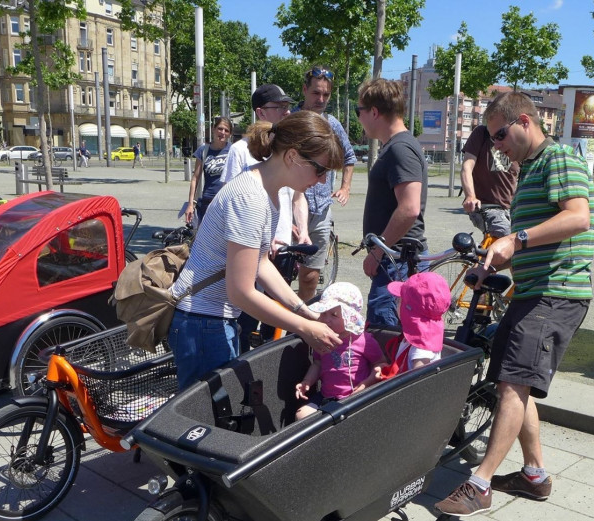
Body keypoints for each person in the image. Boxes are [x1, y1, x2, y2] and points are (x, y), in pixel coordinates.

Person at [434, 91, 594, 517]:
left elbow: (578, 217)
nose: (498, 146)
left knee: (511, 384)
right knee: (512, 379)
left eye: (500, 135)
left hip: (556, 293)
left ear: (524, 121)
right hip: (531, 292)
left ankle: (480, 483)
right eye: (492, 140)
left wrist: (515, 238)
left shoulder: (558, 158)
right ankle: (534, 475)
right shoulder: (530, 169)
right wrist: (496, 259)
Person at [168, 111, 345, 390]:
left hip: (211, 319)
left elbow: (261, 263)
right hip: (202, 321)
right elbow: (240, 291)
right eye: (320, 170)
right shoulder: (251, 197)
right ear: (292, 156)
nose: (322, 181)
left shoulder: (269, 190)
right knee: (204, 421)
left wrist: (304, 312)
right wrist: (305, 328)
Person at [221, 83, 310, 353]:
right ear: (261, 112)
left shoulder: (287, 149)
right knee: (246, 312)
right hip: (253, 244)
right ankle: (243, 359)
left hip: (281, 244)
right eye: (279, 107)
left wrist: (303, 230)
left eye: (287, 106)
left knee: (276, 311)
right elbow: (234, 199)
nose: (286, 112)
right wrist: (264, 237)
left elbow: (297, 196)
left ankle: (268, 364)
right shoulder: (240, 150)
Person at [357, 78, 428, 327]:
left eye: (359, 111)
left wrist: (377, 253)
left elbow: (409, 208)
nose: (359, 118)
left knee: (384, 338)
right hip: (395, 259)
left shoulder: (400, 149)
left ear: (374, 112)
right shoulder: (396, 146)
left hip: (397, 260)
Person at [294, 66, 357, 301]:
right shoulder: (290, 120)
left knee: (310, 276)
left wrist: (345, 187)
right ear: (304, 90)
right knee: (277, 273)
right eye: (316, 93)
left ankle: (302, 323)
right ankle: (274, 330)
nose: (321, 99)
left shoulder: (332, 123)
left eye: (326, 95)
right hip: (288, 208)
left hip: (321, 210)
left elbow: (349, 157)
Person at [294, 282, 388, 419]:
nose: (326, 319)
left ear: (350, 317)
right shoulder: (322, 337)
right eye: (324, 313)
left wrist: (367, 383)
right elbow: (318, 364)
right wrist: (306, 382)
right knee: (301, 415)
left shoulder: (363, 340)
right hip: (325, 395)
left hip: (354, 397)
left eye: (334, 315)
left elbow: (380, 363)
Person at [378, 272, 451, 378]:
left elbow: (417, 384)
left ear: (408, 310)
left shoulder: (421, 350)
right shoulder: (420, 336)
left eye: (399, 299)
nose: (396, 302)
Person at [460, 108, 519, 238]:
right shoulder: (481, 134)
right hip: (486, 206)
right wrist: (470, 196)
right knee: (504, 235)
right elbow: (467, 166)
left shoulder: (515, 141)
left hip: (511, 207)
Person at [184, 116, 232, 225]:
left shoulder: (233, 150)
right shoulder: (203, 150)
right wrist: (190, 204)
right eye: (220, 128)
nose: (222, 132)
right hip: (208, 202)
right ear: (213, 129)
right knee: (205, 239)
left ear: (230, 134)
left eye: (226, 130)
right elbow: (195, 178)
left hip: (227, 203)